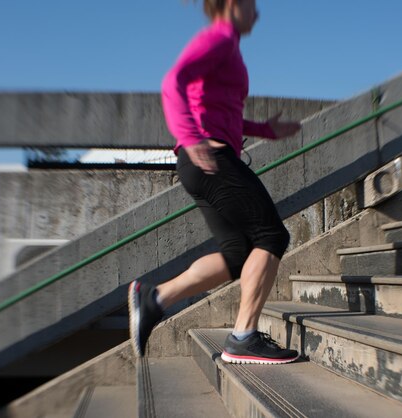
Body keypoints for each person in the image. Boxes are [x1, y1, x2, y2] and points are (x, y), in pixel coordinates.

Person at [129, 0, 301, 364]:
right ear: (233, 4)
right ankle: (243, 338)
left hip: (201, 161)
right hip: (209, 157)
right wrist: (190, 137)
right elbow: (171, 82)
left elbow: (220, 110)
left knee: (237, 255)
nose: (258, 12)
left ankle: (155, 299)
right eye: (253, 4)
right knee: (271, 236)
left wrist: (264, 130)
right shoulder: (219, 39)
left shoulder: (228, 46)